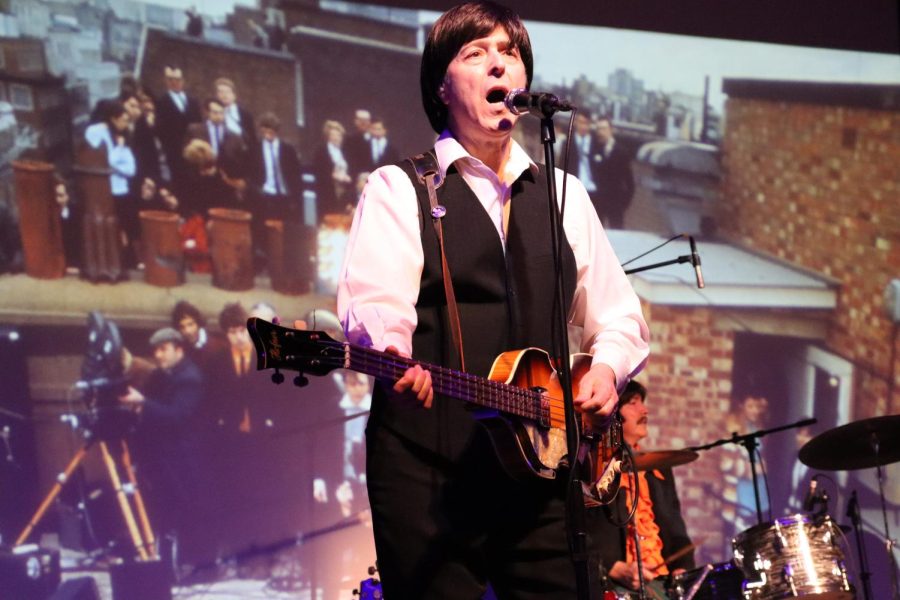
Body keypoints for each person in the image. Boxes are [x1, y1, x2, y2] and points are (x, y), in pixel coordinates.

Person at [336, 2, 650, 597]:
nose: (497, 65)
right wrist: (392, 350)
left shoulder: (563, 193)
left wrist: (606, 369)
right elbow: (376, 300)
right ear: (442, 85)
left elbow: (618, 315)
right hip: (430, 470)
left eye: (508, 52)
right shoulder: (401, 187)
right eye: (474, 53)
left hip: (544, 468)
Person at [591, 380, 695, 595]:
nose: (644, 409)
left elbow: (677, 531)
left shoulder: (658, 470)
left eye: (643, 403)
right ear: (613, 413)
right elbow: (582, 530)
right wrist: (611, 566)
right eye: (633, 403)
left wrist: (682, 568)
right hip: (612, 584)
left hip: (662, 581)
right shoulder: (593, 466)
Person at [118, 327, 208, 570]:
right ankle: (168, 562)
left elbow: (177, 415)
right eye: (155, 350)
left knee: (188, 508)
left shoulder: (189, 378)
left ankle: (193, 565)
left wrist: (143, 403)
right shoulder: (163, 374)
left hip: (183, 456)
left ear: (178, 349)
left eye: (163, 349)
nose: (158, 355)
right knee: (167, 508)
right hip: (165, 455)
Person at [592, 116, 634, 230]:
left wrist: (622, 204)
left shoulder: (622, 152)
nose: (600, 132)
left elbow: (629, 182)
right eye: (598, 129)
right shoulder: (594, 150)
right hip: (598, 203)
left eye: (603, 128)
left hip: (615, 204)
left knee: (616, 234)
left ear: (611, 130)